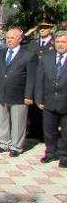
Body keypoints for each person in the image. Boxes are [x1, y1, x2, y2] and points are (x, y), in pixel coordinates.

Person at [0, 27, 37, 157]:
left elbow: (31, 77)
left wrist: (28, 95)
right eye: (7, 38)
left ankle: (16, 146)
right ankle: (4, 143)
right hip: (1, 92)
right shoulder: (1, 53)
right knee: (2, 120)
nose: (9, 40)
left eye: (12, 38)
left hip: (19, 94)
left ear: (20, 39)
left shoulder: (28, 54)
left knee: (18, 121)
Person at [35, 30, 67, 167]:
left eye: (64, 42)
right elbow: (39, 79)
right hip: (48, 100)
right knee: (49, 130)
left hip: (65, 101)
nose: (60, 45)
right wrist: (38, 98)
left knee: (66, 132)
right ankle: (50, 152)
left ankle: (64, 155)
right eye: (58, 42)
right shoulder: (46, 58)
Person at [26, 18, 56, 141]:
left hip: (48, 78)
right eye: (40, 27)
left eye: (45, 27)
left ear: (50, 29)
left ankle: (45, 133)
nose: (42, 29)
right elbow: (22, 42)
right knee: (32, 105)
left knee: (45, 106)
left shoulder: (54, 43)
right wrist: (29, 32)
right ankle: (34, 130)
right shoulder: (33, 42)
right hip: (33, 77)